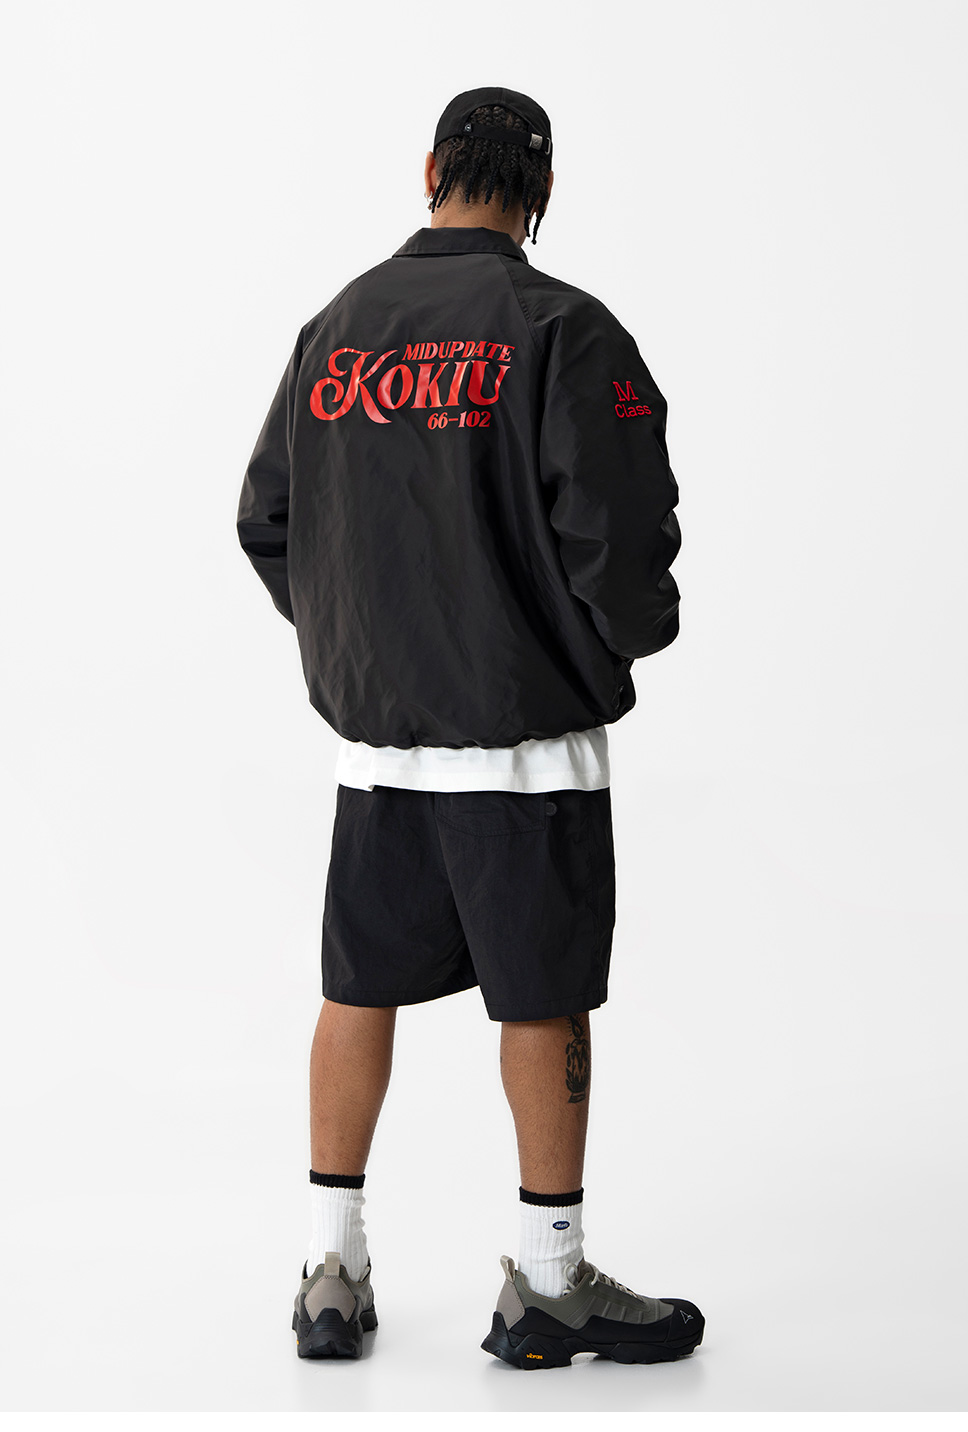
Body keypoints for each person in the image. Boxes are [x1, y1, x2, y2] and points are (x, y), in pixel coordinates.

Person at [236, 85, 703, 1370]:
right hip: (524, 742)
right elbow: (620, 531)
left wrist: (360, 640)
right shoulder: (563, 328)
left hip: (377, 744)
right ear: (540, 193)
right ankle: (548, 1285)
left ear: (431, 167)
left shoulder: (337, 328)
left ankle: (332, 1272)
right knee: (543, 998)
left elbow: (268, 519)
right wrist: (609, 642)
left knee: (357, 985)